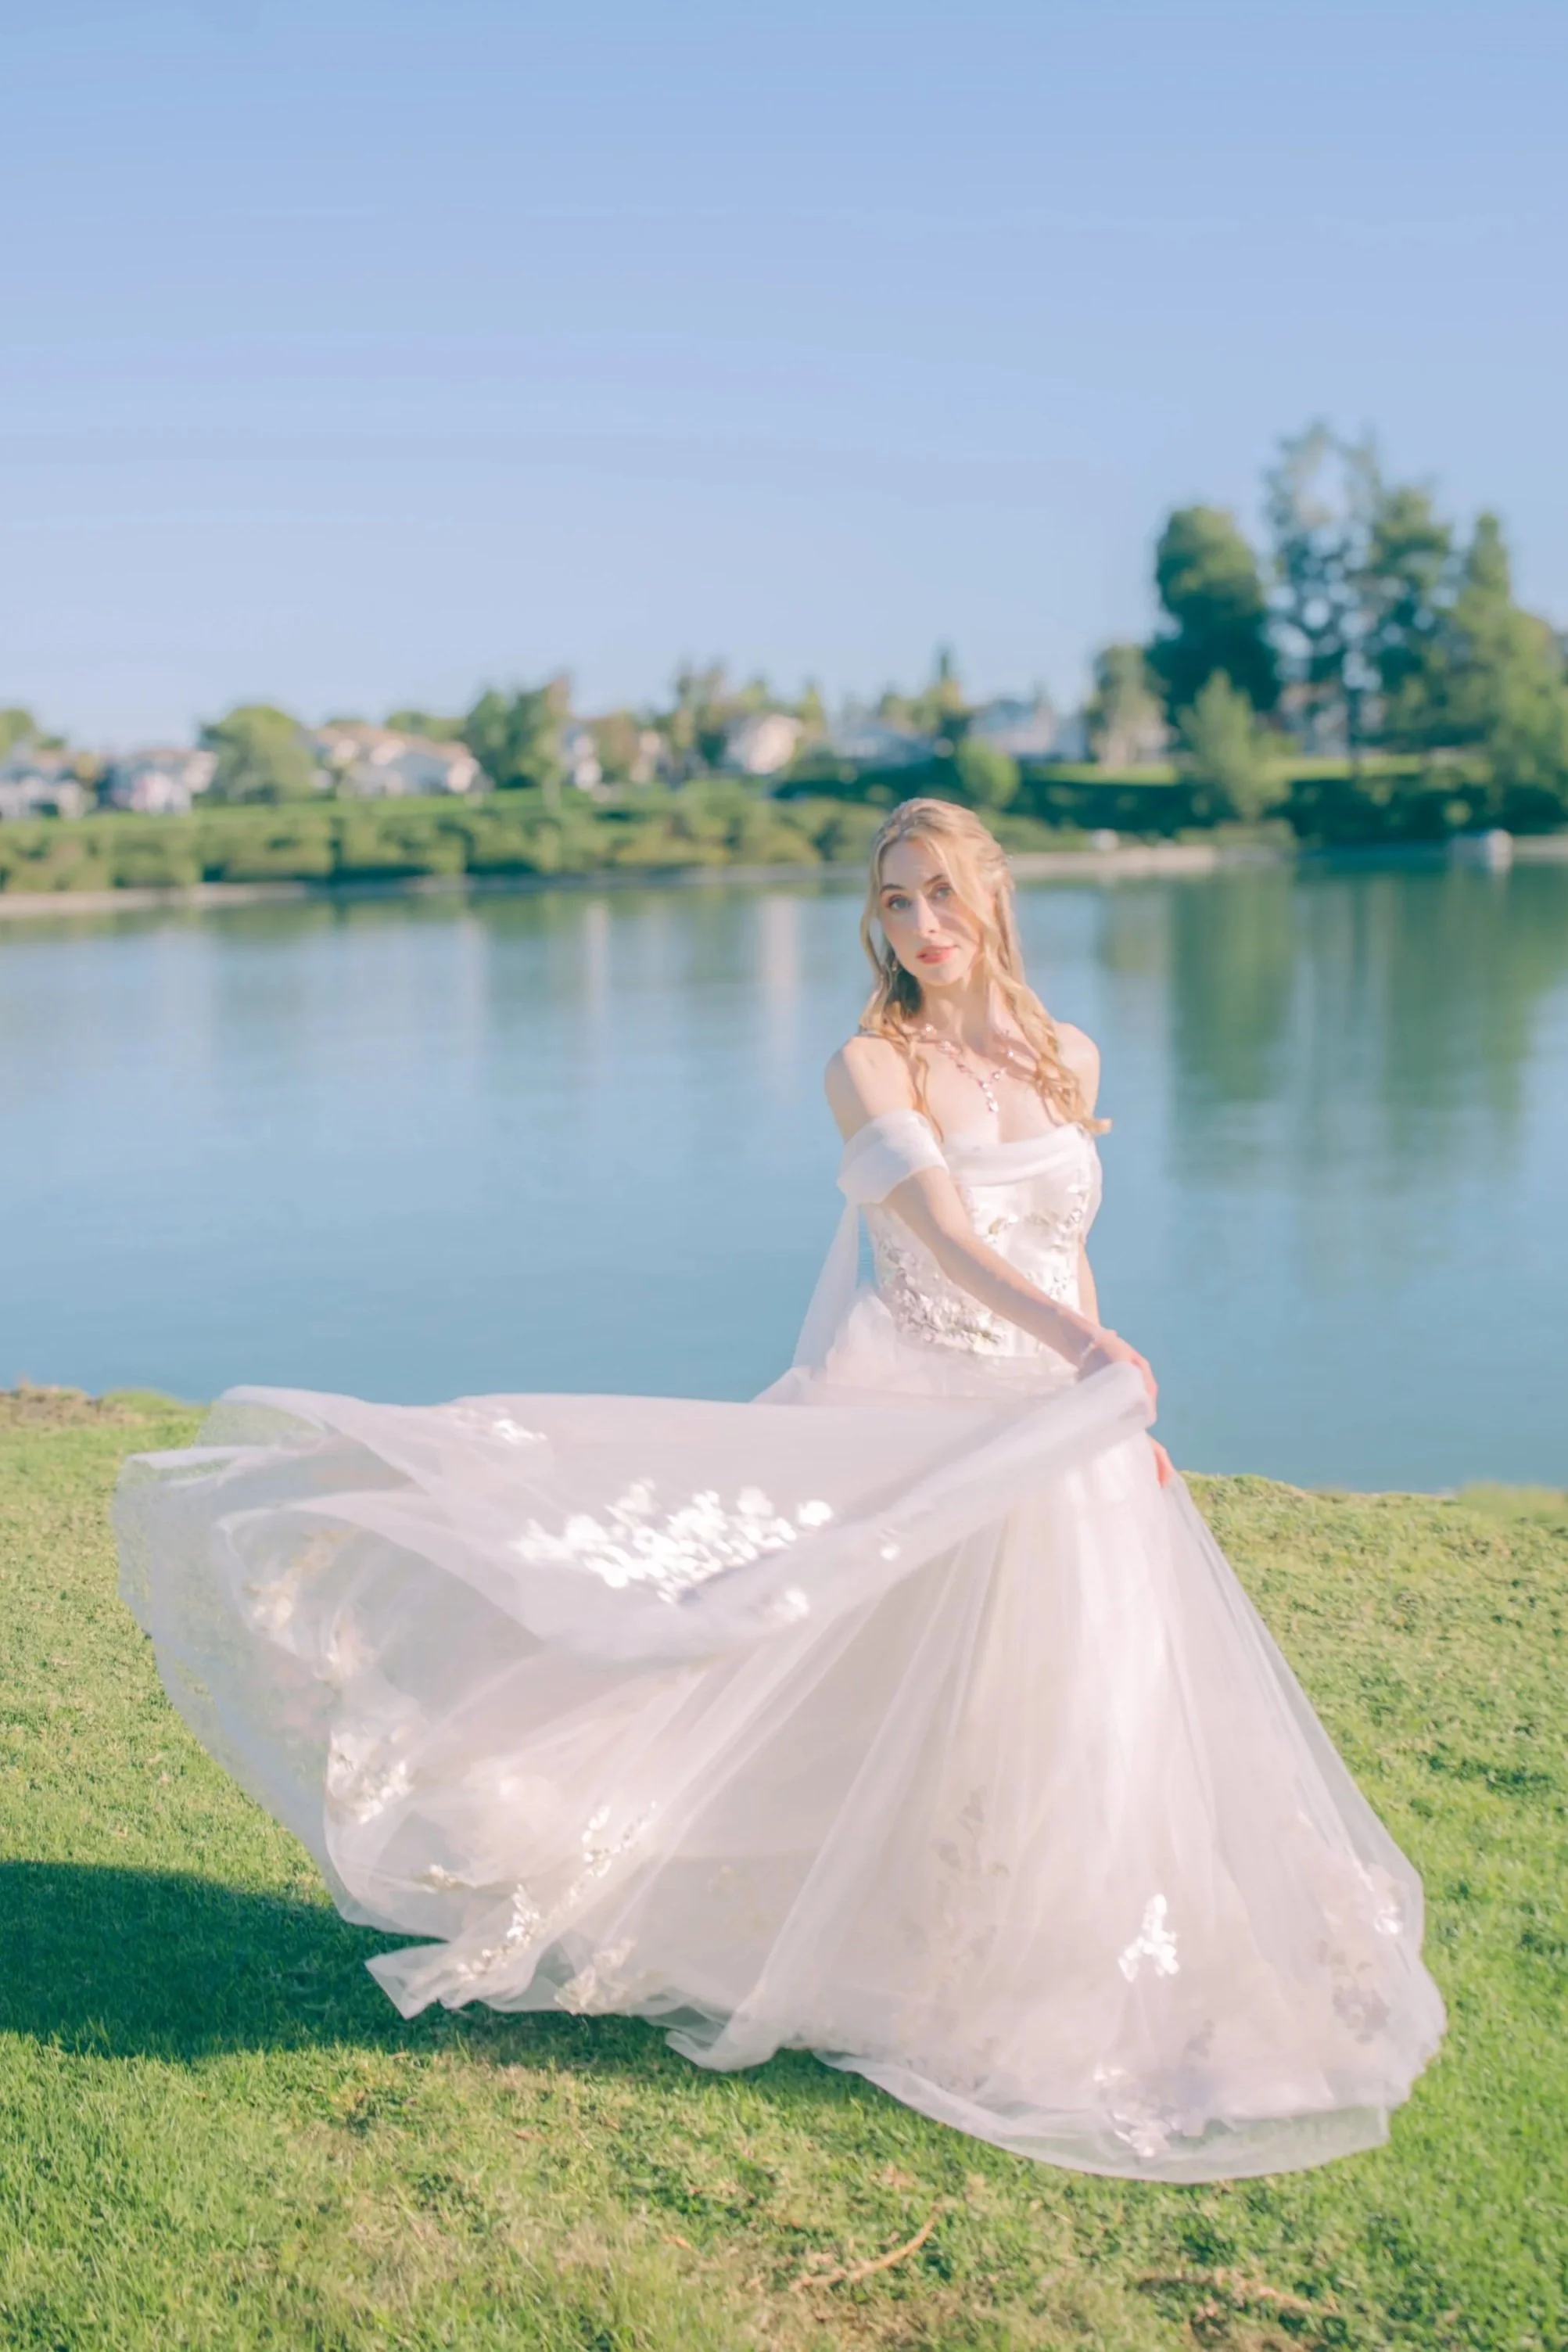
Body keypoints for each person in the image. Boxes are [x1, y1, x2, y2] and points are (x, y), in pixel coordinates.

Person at [117, 798, 1444, 2181]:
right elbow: (938, 1228)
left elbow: (1063, 1248)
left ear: (991, 895)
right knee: (820, 1669)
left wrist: (1101, 1401)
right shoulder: (872, 1063)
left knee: (1087, 1706)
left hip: (1069, 1420)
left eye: (938, 894)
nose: (918, 926)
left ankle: (1075, 1959)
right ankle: (904, 1961)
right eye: (892, 902)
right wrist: (1086, 1354)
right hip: (924, 1412)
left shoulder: (1069, 1054)